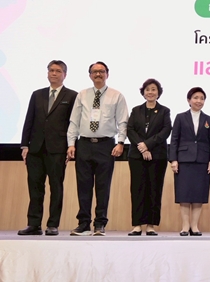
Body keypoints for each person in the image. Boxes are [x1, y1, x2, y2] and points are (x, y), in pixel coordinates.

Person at [67, 61, 128, 236]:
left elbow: (123, 121)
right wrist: (71, 143)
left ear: (107, 74)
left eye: (101, 71)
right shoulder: (82, 95)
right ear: (90, 75)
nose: (98, 74)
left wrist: (121, 142)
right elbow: (74, 121)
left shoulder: (117, 96)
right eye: (94, 71)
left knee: (103, 186)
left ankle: (100, 224)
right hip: (84, 144)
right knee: (83, 186)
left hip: (106, 145)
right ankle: (83, 224)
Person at [18, 60, 78, 236]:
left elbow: (73, 124)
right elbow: (29, 120)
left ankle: (53, 225)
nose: (54, 73)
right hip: (35, 149)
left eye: (58, 71)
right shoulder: (37, 94)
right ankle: (34, 224)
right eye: (51, 70)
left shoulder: (72, 96)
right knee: (35, 187)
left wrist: (71, 145)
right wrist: (25, 145)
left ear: (64, 74)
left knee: (56, 187)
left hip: (57, 149)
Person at [126, 79, 172, 236]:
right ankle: (137, 225)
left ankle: (151, 225)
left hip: (157, 156)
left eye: (153, 89)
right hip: (136, 156)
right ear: (143, 92)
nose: (150, 92)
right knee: (137, 189)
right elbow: (130, 129)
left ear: (158, 92)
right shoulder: (136, 110)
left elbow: (166, 131)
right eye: (147, 89)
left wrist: (147, 145)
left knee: (154, 189)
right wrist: (141, 146)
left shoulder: (164, 111)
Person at [169, 87, 210, 236]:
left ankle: (194, 226)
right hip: (184, 161)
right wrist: (173, 159)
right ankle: (185, 226)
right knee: (184, 194)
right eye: (195, 98)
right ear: (189, 100)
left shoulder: (208, 119)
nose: (199, 101)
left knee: (198, 195)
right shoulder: (180, 117)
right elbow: (174, 140)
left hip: (202, 161)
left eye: (202, 98)